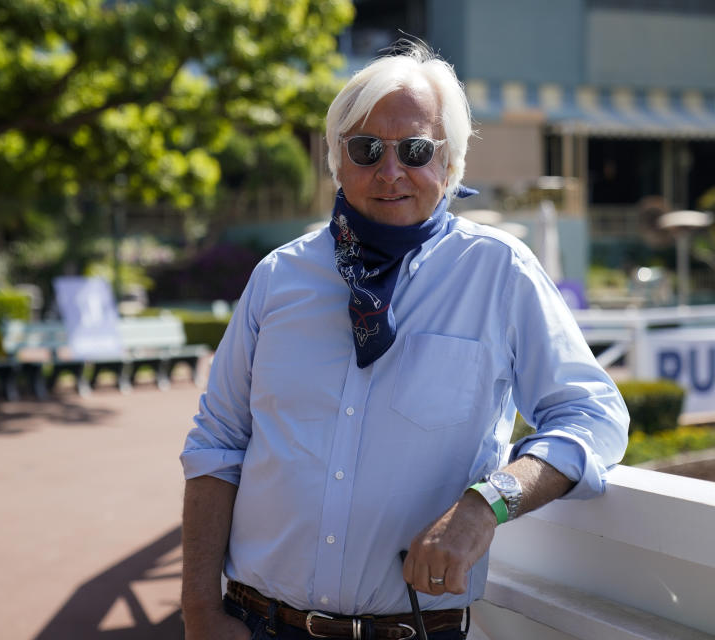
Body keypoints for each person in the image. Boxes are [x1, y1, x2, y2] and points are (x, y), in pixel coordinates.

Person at [180, 40, 629, 640]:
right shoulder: (278, 278)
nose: (390, 172)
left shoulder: (499, 273)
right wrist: (197, 611)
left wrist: (486, 505)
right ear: (338, 161)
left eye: (415, 150)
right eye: (366, 150)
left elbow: (592, 414)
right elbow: (218, 442)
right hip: (258, 622)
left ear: (449, 163)